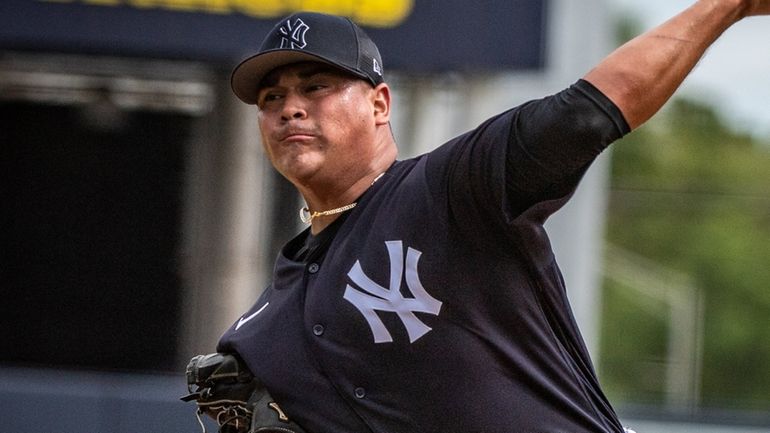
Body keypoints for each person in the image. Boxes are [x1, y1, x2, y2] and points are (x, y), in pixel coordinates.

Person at [214, 2, 770, 432]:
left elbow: (588, 112)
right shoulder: (263, 326)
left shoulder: (451, 189)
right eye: (270, 99)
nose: (290, 107)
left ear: (380, 104)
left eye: (316, 87)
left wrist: (727, 7)